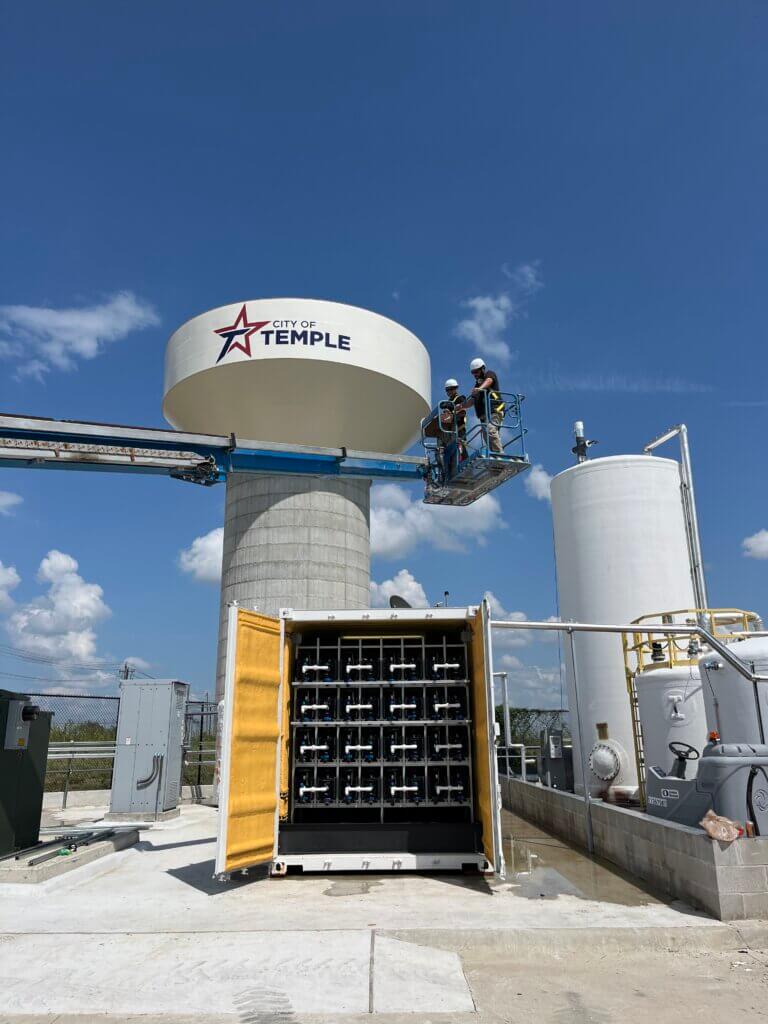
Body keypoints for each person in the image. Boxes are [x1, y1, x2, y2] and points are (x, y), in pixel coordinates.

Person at [466, 358, 505, 454]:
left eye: (476, 371)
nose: (474, 374)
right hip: (484, 417)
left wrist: (479, 388)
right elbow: (471, 401)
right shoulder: (477, 385)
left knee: (491, 430)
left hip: (495, 410)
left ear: (482, 369)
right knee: (487, 437)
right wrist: (459, 407)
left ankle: (500, 454)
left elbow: (489, 380)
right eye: (472, 373)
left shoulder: (489, 374)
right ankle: (495, 458)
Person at [438, 378, 467, 477]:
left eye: (451, 389)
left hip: (459, 430)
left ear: (455, 389)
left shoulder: (460, 399)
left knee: (460, 450)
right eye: (447, 390)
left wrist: (452, 414)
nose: (449, 392)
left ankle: (465, 468)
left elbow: (462, 412)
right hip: (449, 433)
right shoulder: (447, 402)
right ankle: (448, 474)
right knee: (448, 454)